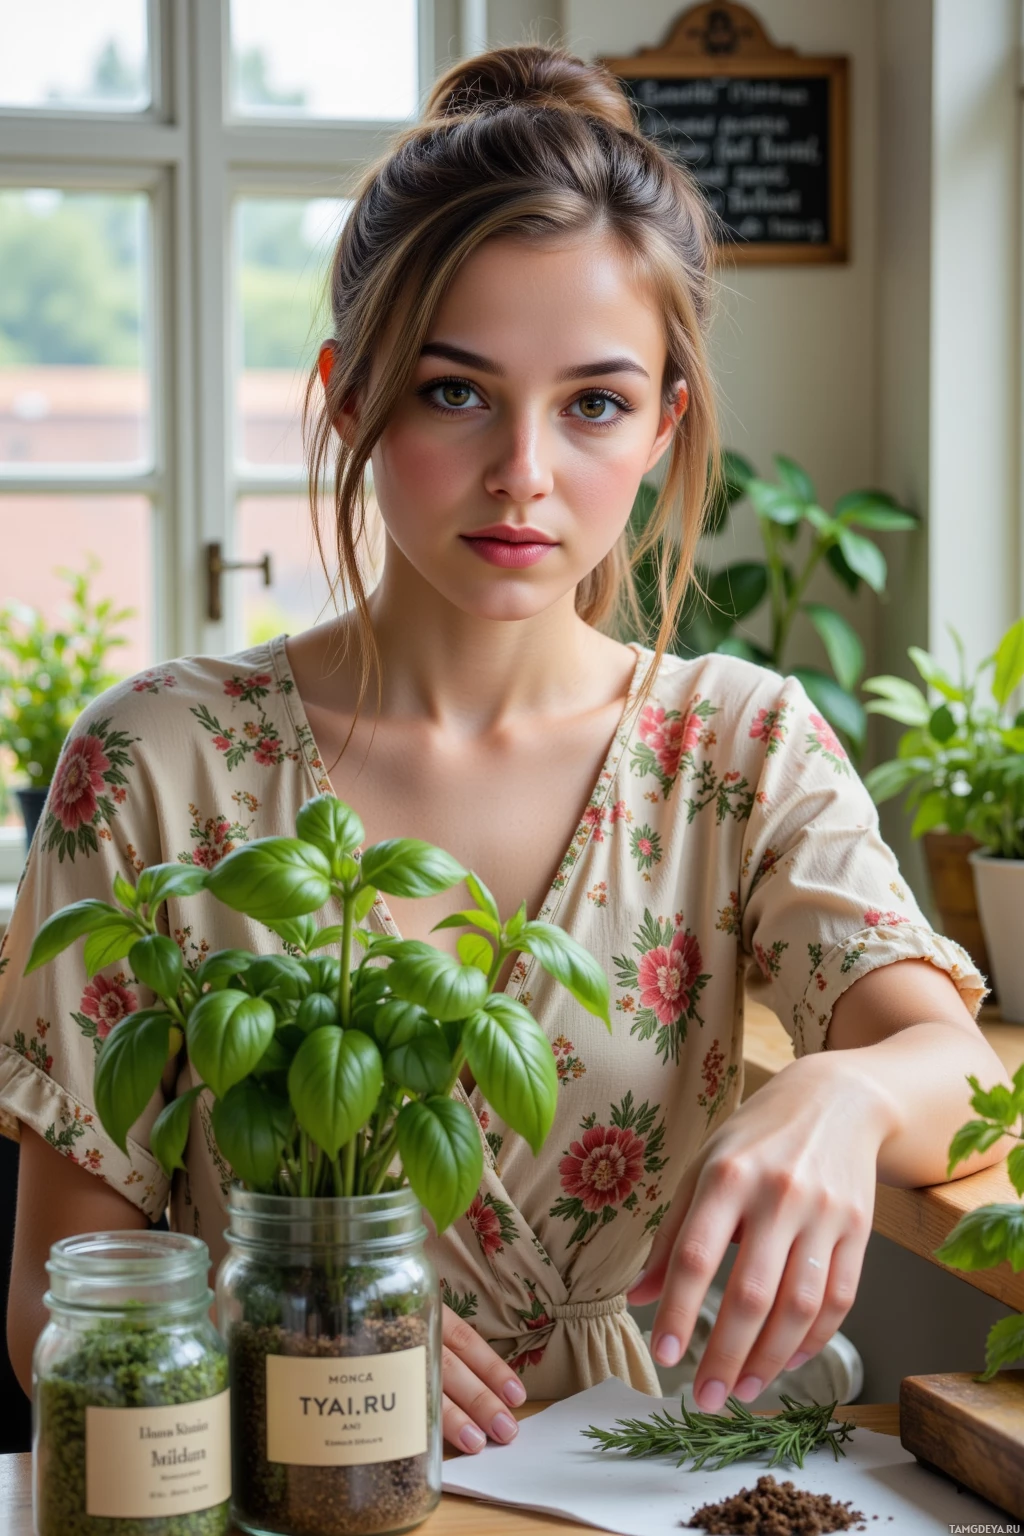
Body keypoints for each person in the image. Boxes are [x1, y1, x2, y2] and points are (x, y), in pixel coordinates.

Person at [0, 43, 1012, 1459]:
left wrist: (844, 1091)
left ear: (663, 425)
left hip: (652, 1479)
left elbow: (957, 1075)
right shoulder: (156, 763)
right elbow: (61, 1298)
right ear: (349, 395)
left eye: (593, 403)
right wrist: (289, 1319)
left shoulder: (741, 746)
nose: (524, 473)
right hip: (300, 1478)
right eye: (455, 391)